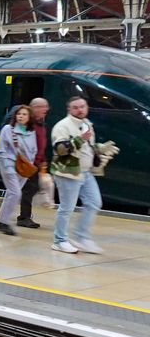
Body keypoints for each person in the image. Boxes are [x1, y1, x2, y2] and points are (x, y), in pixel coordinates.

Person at [49, 96, 103, 254]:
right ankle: (59, 241)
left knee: (94, 202)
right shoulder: (62, 126)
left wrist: (98, 153)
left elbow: (87, 147)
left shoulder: (87, 124)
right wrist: (80, 140)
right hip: (67, 172)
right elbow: (60, 149)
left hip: (85, 172)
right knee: (67, 208)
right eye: (76, 107)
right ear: (69, 109)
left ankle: (81, 236)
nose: (80, 110)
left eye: (82, 106)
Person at [0, 105, 37, 235]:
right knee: (15, 193)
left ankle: (1, 221)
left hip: (24, 168)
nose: (21, 116)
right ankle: (4, 222)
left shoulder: (31, 133)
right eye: (19, 114)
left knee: (11, 194)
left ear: (29, 118)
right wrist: (7, 164)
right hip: (9, 165)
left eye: (24, 114)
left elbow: (33, 151)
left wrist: (29, 165)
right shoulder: (8, 129)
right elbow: (1, 149)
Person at [16, 97, 51, 228]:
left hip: (36, 163)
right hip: (28, 163)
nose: (46, 109)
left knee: (32, 188)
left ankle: (24, 215)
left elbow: (41, 144)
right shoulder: (28, 125)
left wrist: (42, 160)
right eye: (43, 106)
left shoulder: (41, 124)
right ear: (34, 108)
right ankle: (24, 217)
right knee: (29, 189)